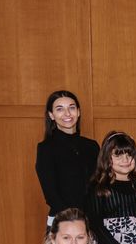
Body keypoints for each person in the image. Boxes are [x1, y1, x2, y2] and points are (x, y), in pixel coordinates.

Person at [35, 90, 99, 225]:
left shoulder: (92, 146)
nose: (67, 114)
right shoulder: (46, 148)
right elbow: (51, 194)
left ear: (79, 112)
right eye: (60, 109)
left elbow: (98, 185)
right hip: (62, 219)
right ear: (51, 115)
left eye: (71, 107)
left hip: (92, 220)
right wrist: (73, 220)